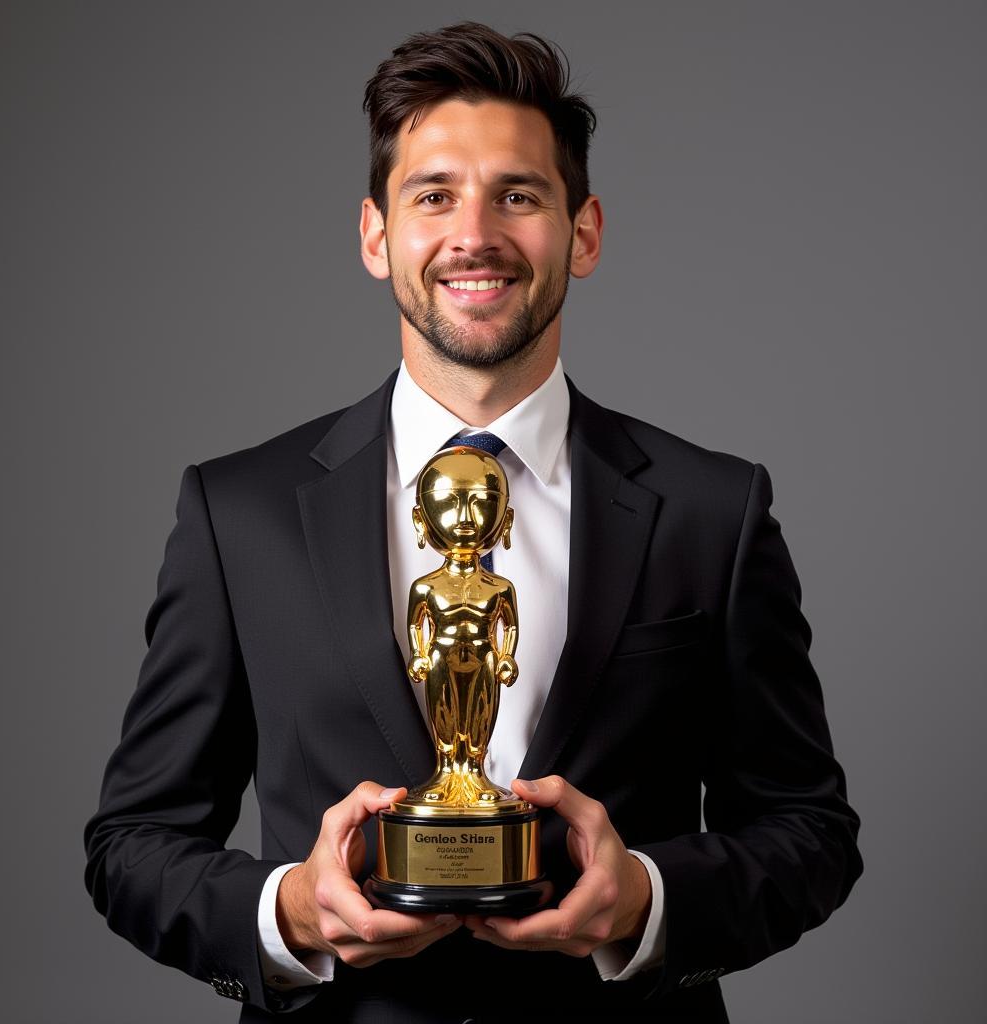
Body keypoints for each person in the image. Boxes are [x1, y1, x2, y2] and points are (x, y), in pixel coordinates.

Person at [85, 21, 862, 1023]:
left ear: (581, 232)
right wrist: (291, 912)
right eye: (434, 193)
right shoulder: (240, 513)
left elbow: (807, 830)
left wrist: (644, 902)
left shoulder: (712, 509)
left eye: (519, 194)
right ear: (377, 235)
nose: (475, 233)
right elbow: (134, 843)